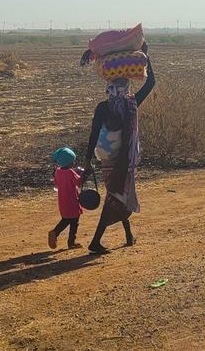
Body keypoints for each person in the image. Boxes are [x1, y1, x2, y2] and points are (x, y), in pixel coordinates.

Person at [84, 42, 155, 254]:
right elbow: (151, 82)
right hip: (123, 160)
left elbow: (93, 135)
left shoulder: (102, 108)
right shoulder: (131, 104)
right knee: (116, 197)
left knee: (118, 195)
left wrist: (87, 161)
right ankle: (95, 241)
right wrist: (146, 56)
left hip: (106, 160)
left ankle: (128, 235)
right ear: (126, 87)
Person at [49, 147, 84, 250]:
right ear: (69, 162)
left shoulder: (58, 172)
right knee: (74, 221)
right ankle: (63, 237)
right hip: (72, 200)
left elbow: (56, 183)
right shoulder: (70, 172)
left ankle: (59, 235)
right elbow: (79, 182)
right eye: (73, 161)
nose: (74, 163)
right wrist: (85, 174)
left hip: (63, 200)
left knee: (66, 219)